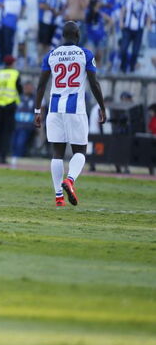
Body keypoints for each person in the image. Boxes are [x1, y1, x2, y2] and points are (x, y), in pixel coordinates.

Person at [34, 21, 107, 206]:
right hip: (76, 109)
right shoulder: (85, 54)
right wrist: (102, 106)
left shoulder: (51, 55)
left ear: (62, 36)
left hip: (54, 108)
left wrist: (37, 110)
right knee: (80, 151)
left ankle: (59, 196)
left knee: (57, 153)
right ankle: (70, 180)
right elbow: (94, 83)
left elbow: (41, 85)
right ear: (77, 35)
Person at [0, 54, 22, 165]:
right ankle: (3, 156)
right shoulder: (15, 74)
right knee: (7, 132)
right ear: (12, 63)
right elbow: (19, 89)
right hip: (10, 105)